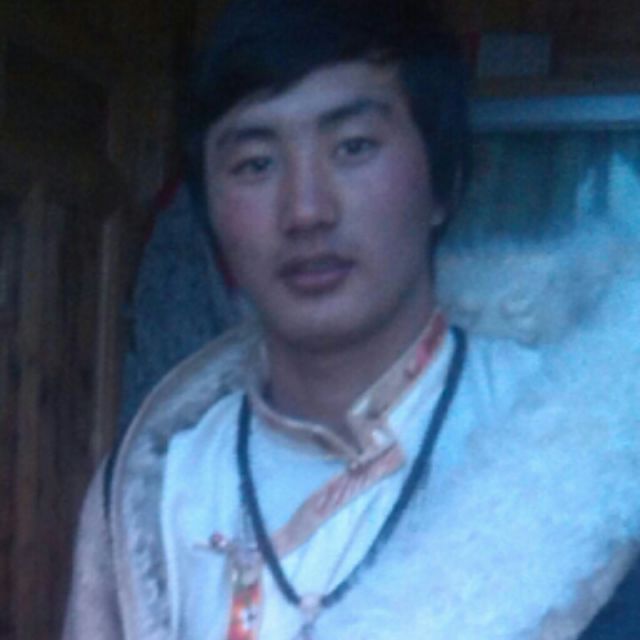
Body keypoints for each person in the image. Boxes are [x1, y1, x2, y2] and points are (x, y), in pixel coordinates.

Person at [63, 1, 640, 638]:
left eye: (353, 146)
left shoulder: (584, 452)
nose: (306, 210)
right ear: (210, 215)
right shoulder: (159, 490)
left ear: (443, 184)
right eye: (256, 163)